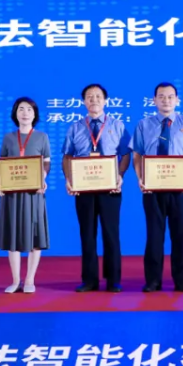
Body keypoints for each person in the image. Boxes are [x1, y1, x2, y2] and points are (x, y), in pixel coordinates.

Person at [131, 82, 183, 293]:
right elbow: (137, 154)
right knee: (154, 235)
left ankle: (181, 280)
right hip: (152, 188)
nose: (166, 100)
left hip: (180, 188)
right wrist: (140, 178)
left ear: (177, 100)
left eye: (170, 96)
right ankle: (153, 281)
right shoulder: (144, 125)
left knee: (180, 235)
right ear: (154, 100)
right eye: (161, 96)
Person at [62, 84, 131, 293]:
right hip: (84, 189)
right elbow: (67, 156)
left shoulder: (117, 126)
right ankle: (89, 280)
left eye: (98, 96)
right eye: (89, 97)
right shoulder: (75, 127)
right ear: (84, 101)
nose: (94, 100)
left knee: (111, 234)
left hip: (110, 188)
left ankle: (114, 280)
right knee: (87, 234)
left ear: (105, 100)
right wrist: (69, 179)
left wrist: (120, 176)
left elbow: (125, 154)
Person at [0, 97, 50, 294]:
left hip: (34, 193)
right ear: (15, 113)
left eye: (29, 109)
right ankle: (16, 280)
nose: (25, 113)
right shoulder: (8, 138)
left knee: (35, 236)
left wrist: (42, 179)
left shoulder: (42, 137)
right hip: (12, 195)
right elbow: (1, 164)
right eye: (21, 109)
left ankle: (30, 280)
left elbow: (46, 163)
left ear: (35, 114)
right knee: (13, 237)